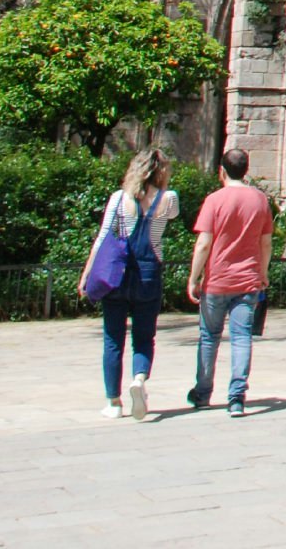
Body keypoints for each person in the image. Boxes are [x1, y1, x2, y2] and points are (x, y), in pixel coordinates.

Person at [79, 146, 178, 422]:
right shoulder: (168, 199)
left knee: (113, 339)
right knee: (144, 337)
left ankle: (113, 401)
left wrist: (87, 273)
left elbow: (102, 237)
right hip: (149, 273)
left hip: (118, 274)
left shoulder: (119, 199)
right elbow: (171, 217)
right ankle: (139, 379)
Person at [187, 146, 273, 417]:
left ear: (221, 171)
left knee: (209, 337)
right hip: (248, 281)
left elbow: (204, 243)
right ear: (246, 171)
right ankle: (237, 397)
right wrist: (263, 272)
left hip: (217, 280)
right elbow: (266, 242)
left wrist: (193, 278)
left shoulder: (214, 200)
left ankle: (203, 393)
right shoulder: (260, 200)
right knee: (241, 337)